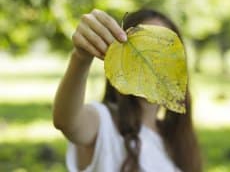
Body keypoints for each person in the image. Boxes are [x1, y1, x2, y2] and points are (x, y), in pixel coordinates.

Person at [53, 9, 202, 172]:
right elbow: (67, 122)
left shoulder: (174, 138)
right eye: (143, 44)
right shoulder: (105, 123)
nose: (149, 62)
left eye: (160, 47)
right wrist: (81, 58)